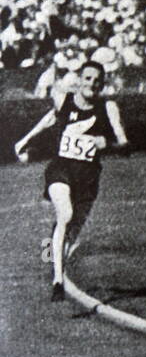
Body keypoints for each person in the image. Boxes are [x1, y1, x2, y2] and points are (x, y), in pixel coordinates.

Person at [13, 61, 128, 301]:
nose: (92, 84)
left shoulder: (108, 107)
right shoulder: (64, 99)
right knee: (65, 215)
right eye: (88, 78)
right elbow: (49, 119)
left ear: (102, 84)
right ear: (80, 81)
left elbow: (125, 144)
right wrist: (24, 140)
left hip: (88, 176)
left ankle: (57, 257)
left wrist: (107, 144)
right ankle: (57, 279)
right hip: (61, 169)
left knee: (73, 229)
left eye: (97, 80)